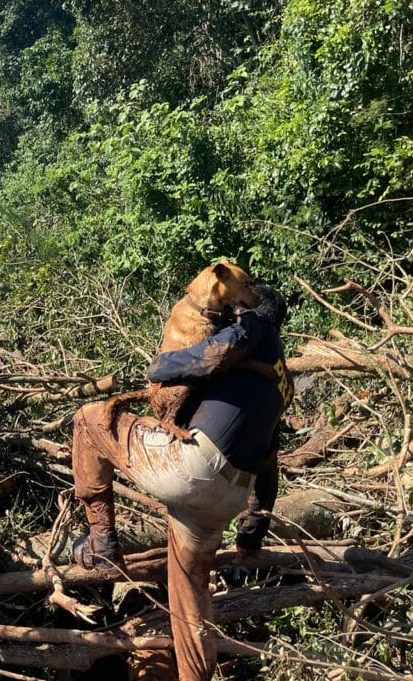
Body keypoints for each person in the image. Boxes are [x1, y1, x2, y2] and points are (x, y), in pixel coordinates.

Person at [70, 285, 293, 681]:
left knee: (89, 419)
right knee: (191, 598)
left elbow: (211, 354)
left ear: (256, 311)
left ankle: (101, 544)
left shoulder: (254, 326)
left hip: (195, 466)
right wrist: (252, 530)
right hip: (231, 493)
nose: (233, 313)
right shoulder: (281, 380)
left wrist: (163, 365)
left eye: (239, 306)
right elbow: (269, 461)